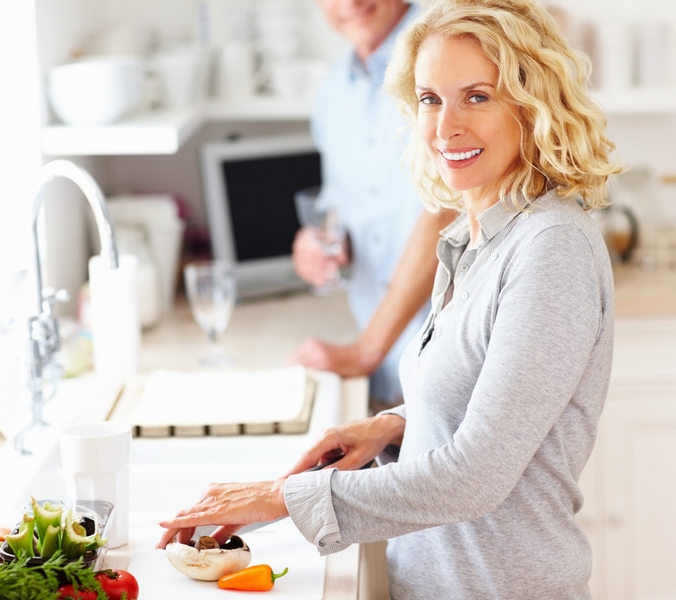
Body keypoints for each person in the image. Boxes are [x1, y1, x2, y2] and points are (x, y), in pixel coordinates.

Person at [158, 0, 622, 597]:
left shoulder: (551, 248)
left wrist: (279, 498)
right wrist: (391, 427)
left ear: (532, 105)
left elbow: (473, 477)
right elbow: (487, 398)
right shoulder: (472, 234)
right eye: (430, 99)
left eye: (477, 96)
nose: (446, 126)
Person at [287, 0, 455, 410]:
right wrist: (315, 246)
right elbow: (340, 208)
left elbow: (448, 209)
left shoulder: (446, 54)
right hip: (380, 378)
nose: (350, 3)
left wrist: (364, 350)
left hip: (449, 369)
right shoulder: (333, 93)